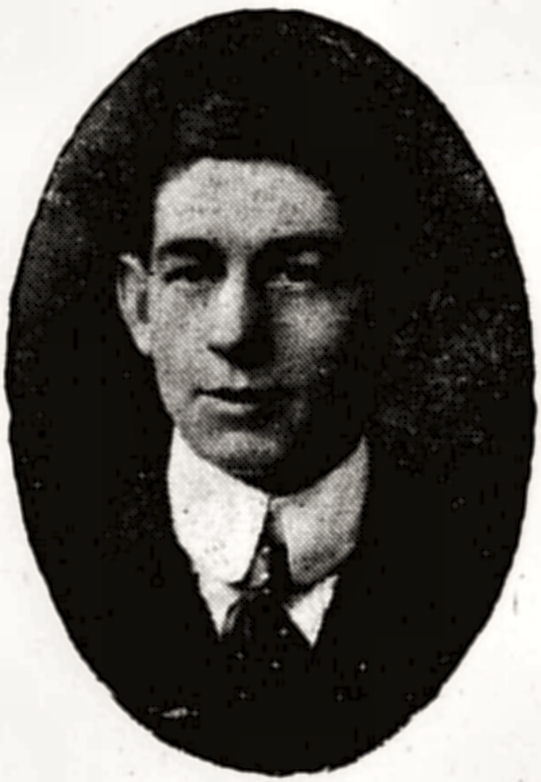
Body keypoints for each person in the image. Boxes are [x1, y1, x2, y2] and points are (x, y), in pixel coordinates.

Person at [6, 9, 533, 775]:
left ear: (381, 304)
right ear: (138, 306)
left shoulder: (479, 555)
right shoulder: (55, 563)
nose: (236, 332)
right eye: (192, 271)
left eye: (297, 273)